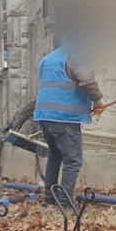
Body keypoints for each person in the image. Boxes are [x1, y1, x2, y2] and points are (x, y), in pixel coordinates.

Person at [33, 32, 104, 202]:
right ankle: (64, 202)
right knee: (73, 161)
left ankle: (49, 198)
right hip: (64, 118)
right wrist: (99, 100)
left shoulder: (47, 59)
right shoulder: (75, 56)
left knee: (55, 156)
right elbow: (87, 81)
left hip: (45, 116)